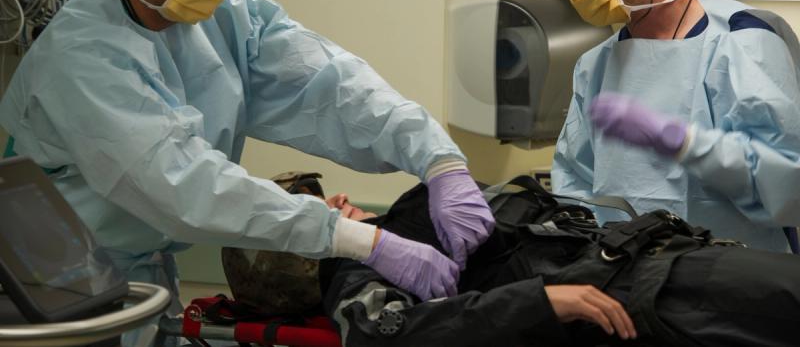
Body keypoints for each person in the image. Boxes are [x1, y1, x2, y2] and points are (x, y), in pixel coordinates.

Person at [0, 0, 495, 339]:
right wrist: (361, 240)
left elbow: (331, 83)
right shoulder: (84, 55)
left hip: (139, 277)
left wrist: (438, 160)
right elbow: (183, 183)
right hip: (55, 283)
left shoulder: (230, 12)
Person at [221, 173, 800, 347]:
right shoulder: (355, 275)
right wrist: (542, 300)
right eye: (318, 210)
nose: (339, 201)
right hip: (637, 293)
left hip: (661, 259)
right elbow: (389, 338)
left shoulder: (402, 220)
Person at [550, 0, 800, 253]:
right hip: (628, 280)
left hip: (735, 282)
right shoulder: (596, 66)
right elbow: (573, 182)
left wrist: (680, 141)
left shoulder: (740, 43)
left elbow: (785, 187)